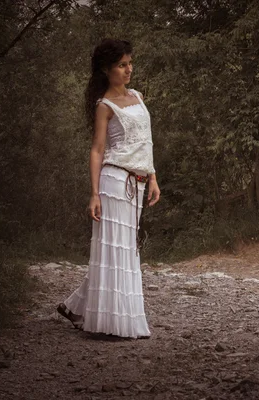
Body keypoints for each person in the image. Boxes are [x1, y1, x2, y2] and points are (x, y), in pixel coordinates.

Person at [56, 39, 160, 338]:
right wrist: (94, 193)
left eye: (130, 63)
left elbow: (145, 142)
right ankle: (111, 322)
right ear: (106, 70)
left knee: (122, 250)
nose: (129, 69)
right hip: (114, 182)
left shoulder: (138, 97)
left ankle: (76, 307)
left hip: (137, 183)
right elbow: (97, 150)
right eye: (122, 64)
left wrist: (152, 177)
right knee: (116, 250)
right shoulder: (105, 105)